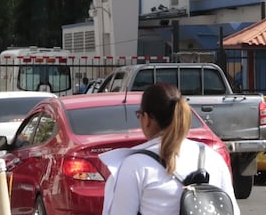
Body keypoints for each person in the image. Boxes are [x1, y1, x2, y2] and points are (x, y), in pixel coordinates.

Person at [100, 83, 240, 215]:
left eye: (139, 115)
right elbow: (232, 210)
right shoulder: (212, 157)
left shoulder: (135, 165)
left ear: (147, 118)